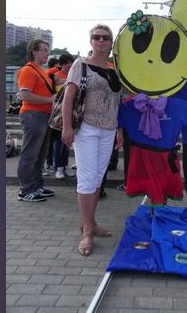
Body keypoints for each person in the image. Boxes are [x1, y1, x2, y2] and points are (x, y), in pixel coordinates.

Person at [61, 25, 123, 256]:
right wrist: (67, 127)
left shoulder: (114, 70)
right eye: (96, 37)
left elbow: (118, 103)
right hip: (87, 128)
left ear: (111, 43)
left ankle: (91, 222)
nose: (101, 40)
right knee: (87, 179)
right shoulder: (81, 65)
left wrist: (119, 131)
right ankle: (87, 230)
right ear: (91, 41)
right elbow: (69, 97)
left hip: (108, 129)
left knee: (97, 178)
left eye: (105, 37)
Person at [16, 39, 56, 202]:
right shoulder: (28, 70)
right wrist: (50, 100)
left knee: (40, 155)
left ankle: (37, 185)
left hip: (42, 116)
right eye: (44, 50)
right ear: (34, 51)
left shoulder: (40, 71)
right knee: (30, 154)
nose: (47, 53)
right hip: (33, 115)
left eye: (48, 50)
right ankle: (26, 190)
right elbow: (25, 95)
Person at [45, 54, 75, 179]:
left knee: (67, 143)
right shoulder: (55, 76)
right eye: (66, 63)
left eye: (71, 62)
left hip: (70, 113)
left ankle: (64, 167)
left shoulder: (74, 75)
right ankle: (58, 168)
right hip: (57, 114)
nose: (69, 65)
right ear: (61, 64)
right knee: (58, 142)